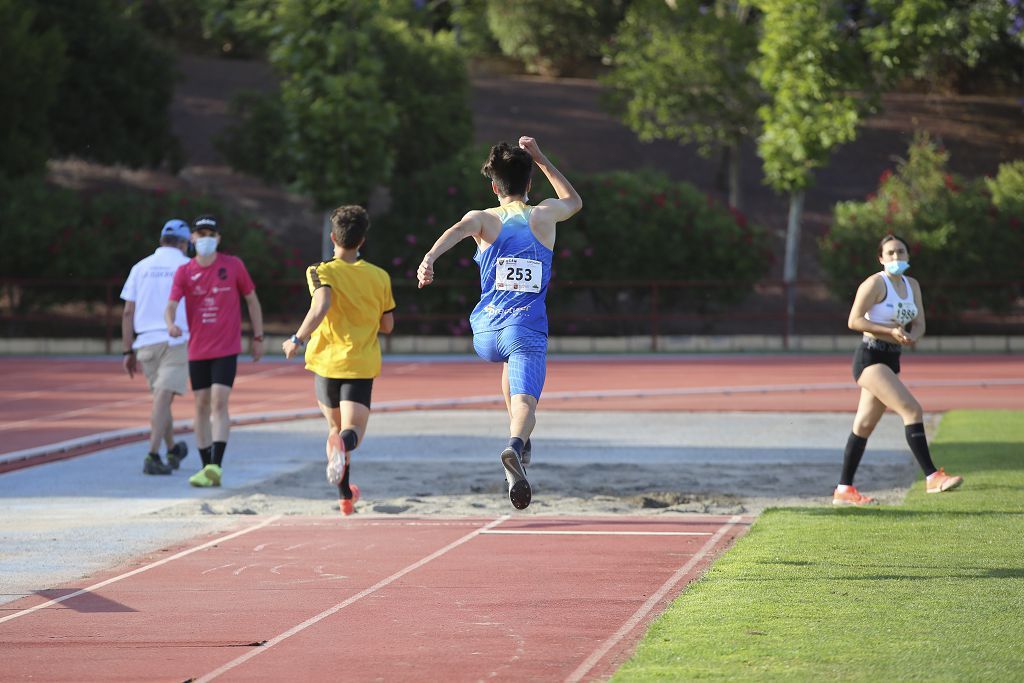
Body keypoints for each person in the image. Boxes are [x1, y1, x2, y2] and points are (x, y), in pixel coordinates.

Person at [417, 136, 582, 510]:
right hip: (525, 329)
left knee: (508, 363)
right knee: (526, 401)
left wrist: (429, 258)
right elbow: (575, 202)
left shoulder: (483, 219)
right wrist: (541, 158)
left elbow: (456, 231)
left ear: (494, 187)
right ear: (530, 184)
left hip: (487, 332)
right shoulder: (543, 215)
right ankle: (516, 446)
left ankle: (518, 444)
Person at [833, 233, 963, 506]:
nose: (896, 257)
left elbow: (920, 322)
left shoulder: (911, 284)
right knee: (912, 410)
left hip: (892, 358)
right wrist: (890, 331)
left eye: (900, 252)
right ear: (881, 258)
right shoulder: (874, 284)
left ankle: (844, 490)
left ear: (907, 256)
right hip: (870, 358)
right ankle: (932, 477)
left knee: (864, 425)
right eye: (890, 253)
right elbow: (854, 321)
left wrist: (913, 335)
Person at [282, 205, 395, 516]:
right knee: (352, 433)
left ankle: (345, 496)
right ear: (362, 241)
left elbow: (321, 305)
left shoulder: (319, 270)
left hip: (325, 363)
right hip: (359, 364)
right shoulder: (379, 276)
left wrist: (297, 339)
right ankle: (344, 475)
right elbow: (388, 326)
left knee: (335, 431)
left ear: (333, 237)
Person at [165, 215, 264, 488]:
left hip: (225, 347)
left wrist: (258, 336)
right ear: (192, 238)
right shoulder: (185, 271)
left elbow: (251, 300)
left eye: (211, 233)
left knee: (219, 401)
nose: (205, 238)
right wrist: (170, 324)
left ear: (218, 238)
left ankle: (216, 465)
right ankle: (205, 464)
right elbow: (171, 305)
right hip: (197, 348)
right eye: (200, 233)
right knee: (200, 404)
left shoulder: (233, 265)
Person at [120, 219, 192, 475]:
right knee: (163, 399)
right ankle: (152, 454)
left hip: (145, 343)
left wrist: (128, 350)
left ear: (162, 239)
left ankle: (172, 448)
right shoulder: (187, 266)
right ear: (183, 243)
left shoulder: (140, 267)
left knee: (161, 400)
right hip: (175, 339)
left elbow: (128, 312)